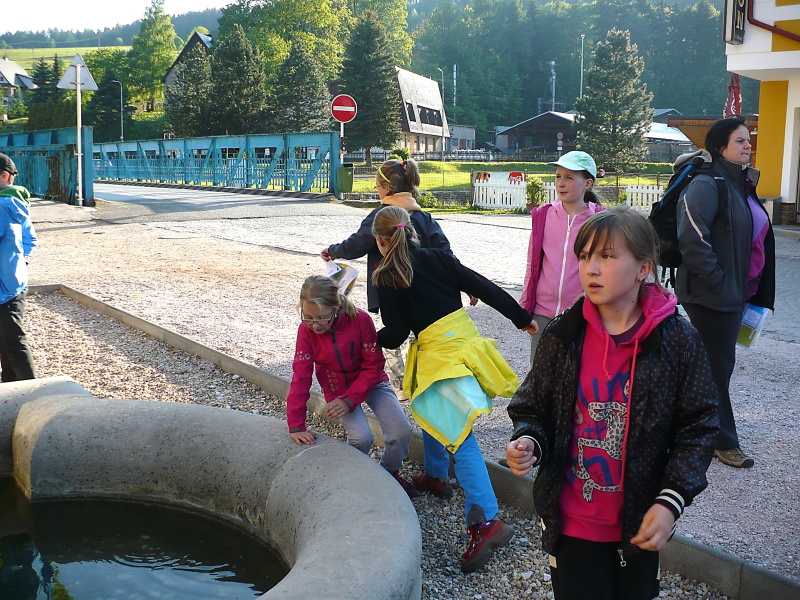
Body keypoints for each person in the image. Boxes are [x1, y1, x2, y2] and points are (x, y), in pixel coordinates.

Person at [506, 207, 718, 600]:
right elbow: (533, 407)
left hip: (639, 522)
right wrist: (529, 441)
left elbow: (700, 426)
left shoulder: (677, 341)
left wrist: (671, 500)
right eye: (584, 255)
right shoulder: (563, 334)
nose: (591, 268)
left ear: (643, 268)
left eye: (607, 256)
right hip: (570, 523)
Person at [371, 205, 537, 573]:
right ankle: (435, 475)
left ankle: (486, 520)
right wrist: (521, 318)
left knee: (460, 436)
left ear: (380, 241)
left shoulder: (387, 275)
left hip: (441, 361)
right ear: (411, 231)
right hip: (466, 348)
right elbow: (483, 287)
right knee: (434, 410)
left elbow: (396, 334)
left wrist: (366, 336)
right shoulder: (438, 257)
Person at [675, 116, 775, 469]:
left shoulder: (739, 183)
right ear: (720, 147)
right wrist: (718, 281)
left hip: (736, 293)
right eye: (740, 141)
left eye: (748, 140)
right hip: (711, 295)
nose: (748, 145)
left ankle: (684, 425)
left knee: (714, 365)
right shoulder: (707, 183)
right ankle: (723, 441)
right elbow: (692, 236)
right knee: (718, 367)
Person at [321, 158, 455, 390]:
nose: (377, 190)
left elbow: (357, 244)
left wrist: (333, 250)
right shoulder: (424, 217)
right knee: (420, 333)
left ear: (387, 187)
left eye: (377, 186)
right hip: (425, 291)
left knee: (394, 332)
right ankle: (426, 379)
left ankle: (400, 384)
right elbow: (446, 253)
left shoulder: (381, 216)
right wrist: (464, 284)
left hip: (390, 288)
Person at [285, 275, 416, 497]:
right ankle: (351, 476)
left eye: (322, 318)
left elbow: (373, 364)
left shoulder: (361, 320)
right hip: (337, 387)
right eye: (308, 317)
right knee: (361, 437)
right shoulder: (306, 331)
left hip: (372, 382)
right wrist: (296, 426)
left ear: (335, 307)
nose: (315, 325)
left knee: (400, 431)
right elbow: (301, 377)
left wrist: (350, 400)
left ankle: (388, 474)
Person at [520, 150, 604, 364]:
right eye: (558, 176)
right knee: (539, 373)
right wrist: (525, 305)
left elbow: (606, 268)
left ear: (587, 184)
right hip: (542, 312)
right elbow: (532, 263)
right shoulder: (544, 215)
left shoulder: (600, 219)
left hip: (582, 314)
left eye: (569, 177)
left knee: (577, 371)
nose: (561, 183)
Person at [0, 153, 37, 382]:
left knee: (12, 341)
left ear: (4, 176)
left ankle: (31, 392)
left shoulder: (2, 205)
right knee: (9, 340)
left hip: (3, 286)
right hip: (14, 282)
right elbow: (30, 240)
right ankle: (14, 388)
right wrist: (15, 263)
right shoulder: (17, 202)